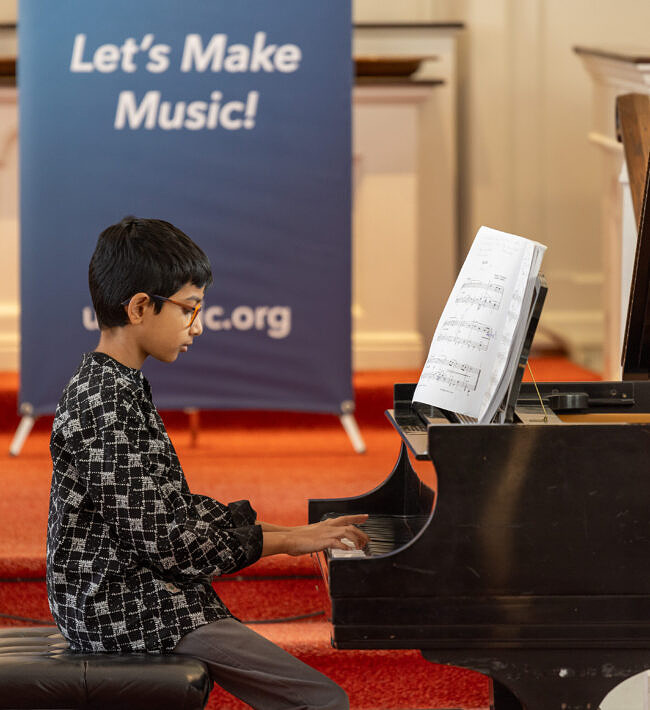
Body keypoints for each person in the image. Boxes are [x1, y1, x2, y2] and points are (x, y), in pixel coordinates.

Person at [46, 216, 368, 710]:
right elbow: (172, 544)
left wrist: (293, 534)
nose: (198, 325)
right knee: (322, 702)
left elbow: (170, 510)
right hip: (120, 606)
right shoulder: (103, 402)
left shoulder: (116, 383)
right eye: (189, 309)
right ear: (138, 307)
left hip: (139, 589)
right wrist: (282, 543)